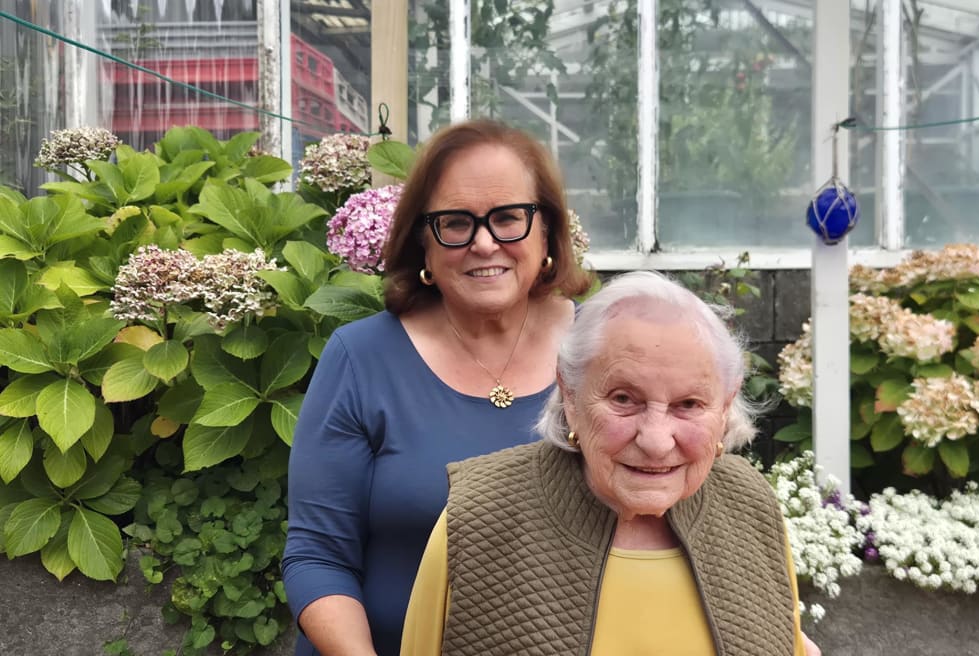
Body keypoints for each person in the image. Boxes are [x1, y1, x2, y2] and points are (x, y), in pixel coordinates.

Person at [282, 119, 593, 656]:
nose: (483, 242)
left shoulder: (602, 354)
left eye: (508, 218)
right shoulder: (361, 358)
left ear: (548, 232)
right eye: (455, 222)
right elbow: (317, 555)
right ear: (423, 241)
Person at [401, 271, 821, 655]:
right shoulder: (480, 513)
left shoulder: (751, 504)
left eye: (688, 404)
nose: (656, 441)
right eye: (623, 399)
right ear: (570, 394)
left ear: (725, 406)